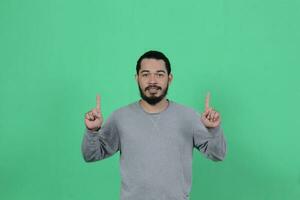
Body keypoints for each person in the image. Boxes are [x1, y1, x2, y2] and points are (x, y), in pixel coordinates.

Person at [81, 50, 227, 200]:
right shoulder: (120, 117)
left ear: (169, 79)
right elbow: (91, 155)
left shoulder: (188, 117)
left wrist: (213, 129)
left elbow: (218, 154)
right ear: (137, 78)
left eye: (159, 74)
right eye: (145, 74)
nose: (152, 81)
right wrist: (92, 130)